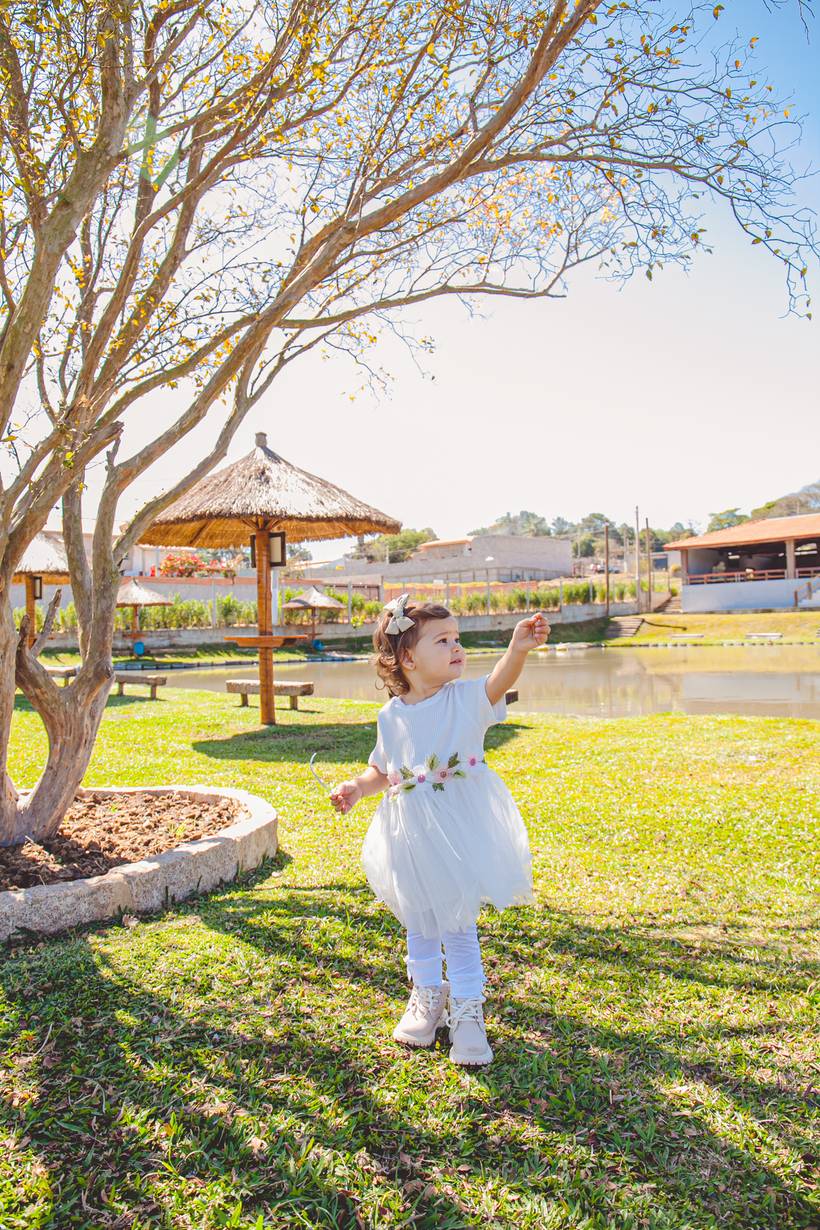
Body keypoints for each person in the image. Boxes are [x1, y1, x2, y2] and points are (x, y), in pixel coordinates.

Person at [328, 594, 550, 1066]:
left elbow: (497, 683)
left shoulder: (464, 699)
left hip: (457, 832)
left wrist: (518, 650)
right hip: (408, 835)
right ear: (407, 658)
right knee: (419, 919)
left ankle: (469, 1011)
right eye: (443, 641)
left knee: (456, 923)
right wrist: (356, 788)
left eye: (458, 640)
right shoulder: (390, 717)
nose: (457, 649)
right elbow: (380, 771)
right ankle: (428, 996)